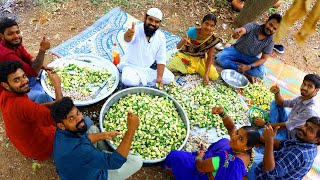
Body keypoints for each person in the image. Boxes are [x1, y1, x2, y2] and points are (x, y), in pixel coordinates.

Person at [50, 97, 143, 180]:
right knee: (137, 160)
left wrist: (105, 135)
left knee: (92, 129)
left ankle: (102, 155)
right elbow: (115, 162)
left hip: (76, 168)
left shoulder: (61, 132)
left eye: (78, 113)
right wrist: (131, 129)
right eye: (71, 118)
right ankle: (104, 157)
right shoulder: (80, 150)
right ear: (61, 125)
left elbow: (83, 139)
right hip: (94, 176)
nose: (79, 119)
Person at [163, 106, 260, 179]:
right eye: (237, 133)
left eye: (240, 139)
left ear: (247, 147)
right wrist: (222, 113)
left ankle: (172, 171)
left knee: (175, 155)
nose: (234, 137)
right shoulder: (248, 152)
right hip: (213, 166)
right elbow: (231, 128)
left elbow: (200, 167)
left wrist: (200, 156)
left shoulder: (226, 160)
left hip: (202, 172)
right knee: (225, 142)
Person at [0, 60, 62, 161]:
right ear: (5, 85)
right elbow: (62, 115)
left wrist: (52, 104)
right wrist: (57, 85)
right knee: (85, 122)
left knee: (43, 97)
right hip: (41, 148)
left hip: (22, 140)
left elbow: (26, 111)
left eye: (24, 76)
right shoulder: (24, 105)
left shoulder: (4, 94)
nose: (24, 81)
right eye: (16, 80)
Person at [216, 13, 282, 83]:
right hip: (236, 50)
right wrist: (237, 32)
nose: (271, 29)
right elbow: (242, 30)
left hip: (250, 58)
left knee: (261, 72)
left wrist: (249, 66)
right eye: (270, 25)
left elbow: (263, 58)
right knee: (220, 58)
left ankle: (240, 67)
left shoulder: (271, 40)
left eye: (274, 29)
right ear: (266, 21)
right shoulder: (253, 26)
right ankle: (245, 73)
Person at [248, 116, 320, 179]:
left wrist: (269, 141)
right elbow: (281, 143)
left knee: (244, 154)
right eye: (305, 125)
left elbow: (269, 171)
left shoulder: (298, 153)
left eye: (310, 130)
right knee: (253, 139)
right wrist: (258, 137)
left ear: (317, 139)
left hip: (266, 175)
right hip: (276, 163)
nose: (303, 128)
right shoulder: (306, 142)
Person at [118, 8, 174, 87]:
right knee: (128, 80)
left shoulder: (161, 36)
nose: (153, 24)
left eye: (156, 22)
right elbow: (127, 39)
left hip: (148, 69)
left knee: (169, 77)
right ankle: (145, 81)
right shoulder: (136, 30)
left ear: (159, 24)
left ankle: (141, 81)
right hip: (131, 66)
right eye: (150, 20)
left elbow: (161, 58)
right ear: (145, 18)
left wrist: (159, 78)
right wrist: (129, 34)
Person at [0, 17, 52, 103]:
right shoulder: (7, 54)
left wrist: (42, 66)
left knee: (45, 72)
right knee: (42, 96)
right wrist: (42, 50)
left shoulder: (14, 42)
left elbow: (28, 58)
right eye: (10, 34)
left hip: (19, 77)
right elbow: (33, 71)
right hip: (12, 91)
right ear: (2, 36)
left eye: (17, 32)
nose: (16, 36)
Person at [254, 74, 320, 140]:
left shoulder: (310, 110)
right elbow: (282, 103)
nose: (304, 88)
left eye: (309, 86)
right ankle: (272, 126)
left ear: (316, 90)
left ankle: (273, 129)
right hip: (288, 121)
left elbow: (286, 126)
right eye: (304, 84)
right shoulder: (303, 97)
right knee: (275, 103)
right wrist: (277, 93)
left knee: (258, 135)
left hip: (290, 135)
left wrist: (265, 124)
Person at [167, 14, 221, 86]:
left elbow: (210, 57)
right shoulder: (192, 31)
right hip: (187, 56)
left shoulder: (212, 39)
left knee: (214, 76)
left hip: (200, 60)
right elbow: (178, 46)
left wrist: (206, 75)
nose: (208, 28)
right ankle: (190, 68)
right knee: (171, 66)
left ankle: (191, 69)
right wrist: (183, 41)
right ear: (202, 23)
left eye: (212, 26)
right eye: (206, 24)